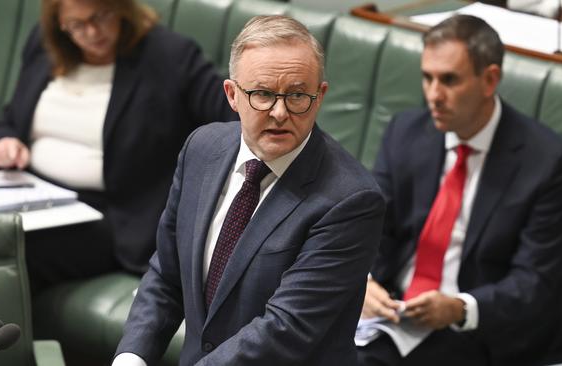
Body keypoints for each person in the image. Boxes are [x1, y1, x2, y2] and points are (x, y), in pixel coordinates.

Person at [112, 15, 385, 366]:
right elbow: (167, 274)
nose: (280, 112)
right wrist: (132, 357)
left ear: (320, 97)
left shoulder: (351, 200)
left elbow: (285, 329)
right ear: (232, 94)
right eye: (263, 94)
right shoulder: (201, 149)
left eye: (298, 95)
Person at [357, 15, 562, 366]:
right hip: (394, 311)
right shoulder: (406, 133)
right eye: (427, 78)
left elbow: (536, 282)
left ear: (489, 79)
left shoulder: (547, 163)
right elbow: (370, 225)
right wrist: (364, 282)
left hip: (474, 330)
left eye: (449, 80)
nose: (433, 95)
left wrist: (461, 308)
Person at [0, 0, 236, 291]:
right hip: (26, 196)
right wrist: (6, 141)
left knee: (1, 253)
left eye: (100, 17)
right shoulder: (46, 44)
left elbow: (233, 114)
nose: (91, 32)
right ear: (61, 25)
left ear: (121, 9)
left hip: (111, 218)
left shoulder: (169, 55)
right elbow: (11, 119)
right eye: (77, 25)